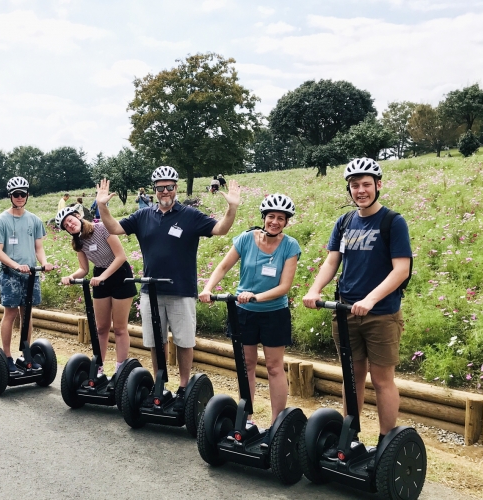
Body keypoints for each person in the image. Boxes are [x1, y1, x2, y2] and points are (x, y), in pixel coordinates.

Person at [96, 165, 241, 411]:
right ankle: (160, 383)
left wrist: (232, 208)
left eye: (169, 187)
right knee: (156, 341)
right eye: (160, 187)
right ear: (155, 189)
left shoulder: (189, 215)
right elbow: (114, 228)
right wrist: (102, 206)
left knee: (184, 341)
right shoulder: (143, 216)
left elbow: (221, 230)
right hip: (150, 291)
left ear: (176, 188)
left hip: (181, 290)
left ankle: (184, 387)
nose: (165, 191)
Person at [302, 157, 412, 449]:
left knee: (382, 380)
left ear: (378, 185)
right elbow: (331, 261)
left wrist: (370, 299)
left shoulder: (393, 221)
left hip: (381, 314)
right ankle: (349, 438)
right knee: (352, 378)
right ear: (349, 190)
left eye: (366, 184)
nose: (360, 190)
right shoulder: (344, 222)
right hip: (345, 311)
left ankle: (386, 444)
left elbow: (401, 269)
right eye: (354, 186)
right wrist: (314, 289)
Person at [199, 194, 300, 436]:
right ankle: (247, 417)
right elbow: (223, 266)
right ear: (263, 218)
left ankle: (277, 423)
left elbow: (284, 286)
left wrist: (256, 296)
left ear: (286, 222)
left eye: (281, 218)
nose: (275, 222)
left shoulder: (290, 246)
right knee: (247, 366)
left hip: (274, 313)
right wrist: (207, 288)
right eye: (271, 217)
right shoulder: (245, 239)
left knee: (275, 367)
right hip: (244, 313)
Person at [56, 206, 137, 374]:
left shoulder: (102, 228)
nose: (69, 225)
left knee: (120, 328)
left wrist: (103, 277)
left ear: (78, 216)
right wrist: (71, 277)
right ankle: (98, 367)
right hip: (99, 276)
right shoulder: (78, 242)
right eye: (66, 225)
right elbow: (83, 269)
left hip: (120, 273)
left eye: (70, 220)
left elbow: (121, 256)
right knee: (101, 327)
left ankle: (120, 369)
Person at [0, 176, 54, 373]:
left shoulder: (34, 220)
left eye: (23, 194)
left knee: (27, 314)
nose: (19, 197)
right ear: (10, 196)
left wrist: (44, 262)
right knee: (10, 313)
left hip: (31, 273)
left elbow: (38, 247)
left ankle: (25, 354)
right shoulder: (1, 220)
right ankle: (7, 357)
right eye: (16, 194)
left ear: (27, 195)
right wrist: (16, 266)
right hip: (10, 273)